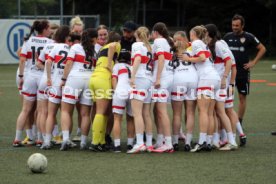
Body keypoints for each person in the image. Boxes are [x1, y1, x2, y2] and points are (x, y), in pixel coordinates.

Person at [13, 20, 53, 147]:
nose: (51, 30)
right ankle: (40, 139)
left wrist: (21, 76)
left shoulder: (28, 41)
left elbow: (22, 59)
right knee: (42, 110)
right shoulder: (51, 42)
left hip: (30, 76)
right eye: (50, 28)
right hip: (43, 77)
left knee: (25, 109)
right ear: (45, 29)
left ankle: (17, 139)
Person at [182, 25, 221, 152]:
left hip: (206, 78)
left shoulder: (197, 42)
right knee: (210, 113)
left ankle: (202, 141)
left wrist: (189, 59)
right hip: (214, 78)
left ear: (194, 34)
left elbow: (202, 58)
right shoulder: (202, 43)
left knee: (203, 112)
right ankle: (209, 142)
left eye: (190, 34)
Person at [223, 14, 266, 126]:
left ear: (242, 25)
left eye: (237, 25)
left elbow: (262, 49)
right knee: (228, 97)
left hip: (242, 74)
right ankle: (227, 121)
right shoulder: (227, 37)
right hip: (231, 75)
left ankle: (239, 122)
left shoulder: (249, 37)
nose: (234, 27)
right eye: (233, 25)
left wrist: (253, 62)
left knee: (242, 97)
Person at [59, 28, 98, 151]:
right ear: (95, 38)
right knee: (86, 113)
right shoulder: (97, 49)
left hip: (75, 79)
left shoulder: (76, 47)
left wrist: (64, 79)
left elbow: (69, 64)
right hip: (90, 79)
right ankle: (83, 142)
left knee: (65, 110)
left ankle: (65, 139)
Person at [89, 31, 121, 151]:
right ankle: (95, 142)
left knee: (104, 112)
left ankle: (101, 141)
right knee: (101, 112)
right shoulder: (115, 44)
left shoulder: (103, 48)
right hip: (103, 79)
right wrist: (110, 65)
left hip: (94, 78)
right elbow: (113, 46)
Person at [41, 25, 71, 149]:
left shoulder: (55, 47)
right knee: (66, 112)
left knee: (51, 114)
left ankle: (47, 141)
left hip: (55, 82)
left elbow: (48, 62)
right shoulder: (72, 48)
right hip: (67, 83)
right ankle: (65, 139)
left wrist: (49, 78)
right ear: (66, 36)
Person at [127, 26, 154, 153]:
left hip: (140, 79)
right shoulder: (150, 47)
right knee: (146, 114)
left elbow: (137, 59)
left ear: (136, 35)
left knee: (137, 113)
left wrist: (132, 77)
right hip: (149, 80)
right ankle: (148, 143)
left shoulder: (137, 45)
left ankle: (139, 143)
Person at [171, 31, 198, 151]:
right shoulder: (192, 48)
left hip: (178, 80)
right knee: (190, 112)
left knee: (177, 113)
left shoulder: (172, 51)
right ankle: (188, 142)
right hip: (192, 79)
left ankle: (175, 142)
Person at [151, 22, 174, 153]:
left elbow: (160, 59)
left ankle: (168, 143)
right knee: (157, 110)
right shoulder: (166, 41)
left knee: (161, 111)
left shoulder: (159, 41)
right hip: (168, 76)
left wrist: (158, 78)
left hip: (163, 78)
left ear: (155, 32)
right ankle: (161, 140)